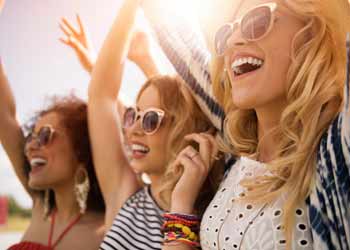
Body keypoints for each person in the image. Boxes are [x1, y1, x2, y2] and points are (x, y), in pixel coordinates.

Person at [141, 0, 350, 249]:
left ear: (312, 32)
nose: (231, 42)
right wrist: (181, 206)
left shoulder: (333, 158)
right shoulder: (235, 153)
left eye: (256, 20)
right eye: (226, 33)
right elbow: (178, 41)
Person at [85, 0, 224, 249]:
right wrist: (130, 8)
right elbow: (101, 96)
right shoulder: (126, 194)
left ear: (186, 130)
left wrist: (183, 205)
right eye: (131, 115)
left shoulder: (216, 217)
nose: (133, 130)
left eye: (150, 120)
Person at [0, 46, 105, 250]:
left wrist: (96, 68)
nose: (30, 146)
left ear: (81, 150)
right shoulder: (40, 207)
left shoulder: (110, 232)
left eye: (45, 135)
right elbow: (4, 114)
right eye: (32, 136)